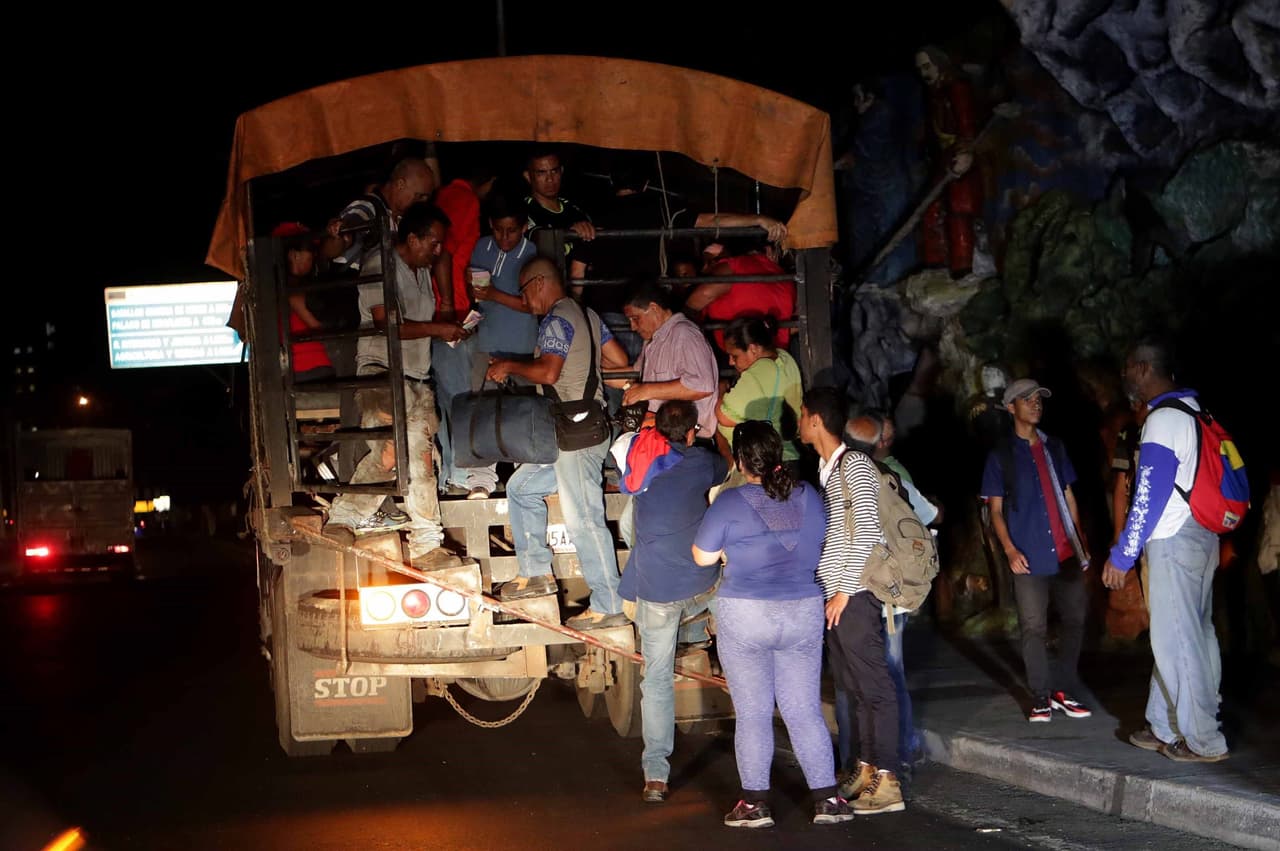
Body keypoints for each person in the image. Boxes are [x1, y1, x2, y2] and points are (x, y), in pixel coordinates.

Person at [692, 420, 852, 828]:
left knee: (754, 713)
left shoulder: (730, 501)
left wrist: (728, 552)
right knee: (804, 709)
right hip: (802, 611)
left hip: (746, 614)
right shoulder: (809, 496)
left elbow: (702, 557)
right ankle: (828, 800)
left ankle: (754, 805)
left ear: (741, 460)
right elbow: (822, 543)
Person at [486, 257, 630, 630]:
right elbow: (619, 360)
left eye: (524, 291)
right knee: (521, 488)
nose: (524, 301)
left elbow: (549, 372)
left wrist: (509, 366)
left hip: (575, 435)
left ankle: (610, 605)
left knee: (584, 520)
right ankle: (535, 572)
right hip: (578, 430)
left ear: (539, 283)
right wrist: (586, 372)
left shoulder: (556, 319)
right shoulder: (588, 316)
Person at [1102, 340, 1229, 762]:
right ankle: (1165, 723)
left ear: (1142, 368)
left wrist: (1123, 554)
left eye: (1127, 368)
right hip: (1201, 535)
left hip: (1174, 538)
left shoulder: (1162, 419)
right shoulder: (1195, 410)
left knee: (1179, 640)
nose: (1124, 376)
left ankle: (1203, 739)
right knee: (1192, 633)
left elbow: (1148, 497)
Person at [323, 203, 466, 564]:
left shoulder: (421, 270)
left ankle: (346, 519)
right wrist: (440, 328)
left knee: (400, 457)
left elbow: (440, 270)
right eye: (433, 243)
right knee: (404, 453)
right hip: (382, 373)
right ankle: (424, 542)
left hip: (415, 378)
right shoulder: (380, 264)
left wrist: (444, 318)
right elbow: (386, 325)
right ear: (412, 239)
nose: (438, 250)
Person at [614, 400, 727, 803]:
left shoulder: (637, 461)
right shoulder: (700, 462)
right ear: (692, 433)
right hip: (702, 584)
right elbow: (727, 466)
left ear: (657, 430)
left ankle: (656, 776)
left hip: (658, 591)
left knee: (657, 680)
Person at [798, 387, 904, 815]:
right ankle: (867, 768)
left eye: (802, 415)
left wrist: (843, 589)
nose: (799, 423)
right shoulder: (826, 468)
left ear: (816, 420)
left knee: (875, 687)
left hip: (856, 596)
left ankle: (889, 781)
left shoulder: (855, 464)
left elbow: (869, 530)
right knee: (855, 688)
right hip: (837, 596)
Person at [981, 378, 1093, 723]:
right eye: (1027, 399)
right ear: (1010, 407)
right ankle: (1041, 696)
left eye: (1039, 399)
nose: (1035, 404)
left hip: (1065, 551)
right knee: (1033, 627)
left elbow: (1069, 496)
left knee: (1075, 620)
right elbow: (995, 511)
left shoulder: (1054, 447)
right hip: (1028, 554)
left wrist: (1080, 540)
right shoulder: (1001, 455)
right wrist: (1010, 550)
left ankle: (1063, 690)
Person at [839, 412, 939, 778]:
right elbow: (930, 515)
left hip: (859, 595)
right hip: (892, 596)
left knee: (857, 681)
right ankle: (900, 753)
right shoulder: (894, 477)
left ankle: (859, 762)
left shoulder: (842, 478)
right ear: (878, 442)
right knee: (891, 675)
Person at [451, 195, 541, 499]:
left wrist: (493, 294)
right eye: (499, 230)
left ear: (524, 228)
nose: (505, 237)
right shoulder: (481, 247)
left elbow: (533, 305)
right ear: (490, 225)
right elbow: (478, 296)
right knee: (483, 409)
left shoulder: (532, 255)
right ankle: (481, 480)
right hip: (487, 343)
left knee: (521, 411)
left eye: (512, 231)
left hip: (523, 346)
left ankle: (526, 477)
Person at [614, 283, 719, 436]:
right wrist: (598, 373)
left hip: (685, 438)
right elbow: (633, 375)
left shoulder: (684, 334)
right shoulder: (653, 340)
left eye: (636, 318)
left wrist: (646, 391)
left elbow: (701, 386)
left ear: (654, 309)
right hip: (660, 434)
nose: (633, 327)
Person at [915, 45, 982, 279]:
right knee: (932, 208)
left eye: (927, 66)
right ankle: (936, 262)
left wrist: (965, 152)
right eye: (920, 69)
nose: (924, 73)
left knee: (958, 209)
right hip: (944, 156)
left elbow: (966, 124)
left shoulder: (957, 88)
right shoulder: (935, 93)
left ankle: (963, 266)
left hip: (958, 154)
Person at [321, 158, 437, 273]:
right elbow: (331, 249)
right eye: (419, 196)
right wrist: (337, 234)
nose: (423, 202)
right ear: (400, 184)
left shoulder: (403, 218)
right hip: (353, 283)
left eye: (426, 198)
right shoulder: (367, 208)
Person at [716, 314, 803, 466]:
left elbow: (723, 416)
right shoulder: (784, 356)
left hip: (765, 461)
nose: (730, 362)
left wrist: (721, 391)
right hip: (787, 454)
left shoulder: (759, 372)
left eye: (734, 356)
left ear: (753, 349)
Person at [684, 239, 795, 350]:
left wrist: (681, 322)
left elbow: (704, 293)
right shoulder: (783, 276)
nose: (705, 268)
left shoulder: (735, 265)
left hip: (745, 351)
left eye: (713, 261)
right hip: (776, 353)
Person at [271, 222, 334, 383]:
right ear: (293, 255)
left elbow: (241, 331)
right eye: (310, 250)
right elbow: (318, 326)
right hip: (310, 368)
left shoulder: (264, 286)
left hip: (280, 372)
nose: (313, 256)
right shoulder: (293, 291)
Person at [522, 149, 594, 279]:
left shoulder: (575, 211)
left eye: (554, 171)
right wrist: (570, 233)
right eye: (541, 173)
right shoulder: (522, 212)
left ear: (561, 171)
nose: (550, 179)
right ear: (528, 176)